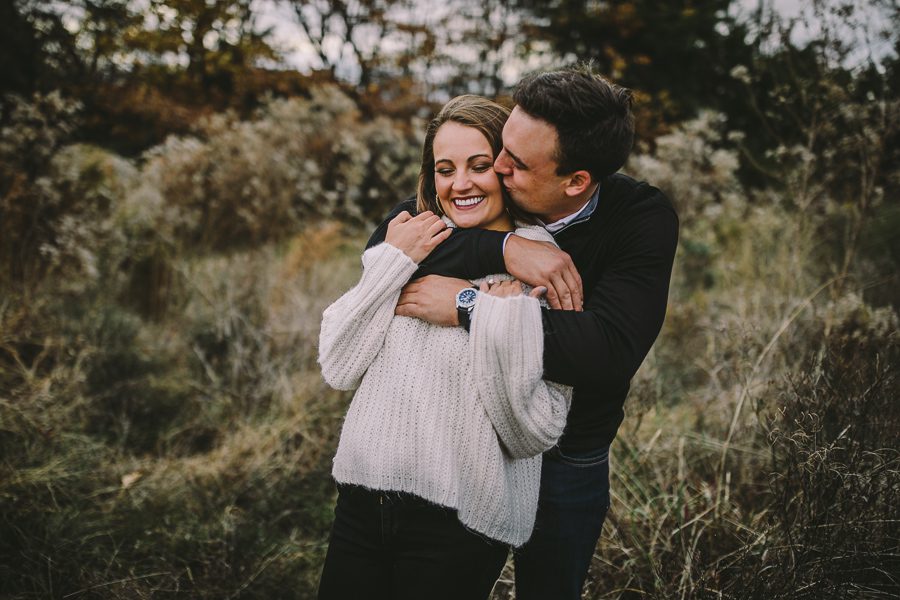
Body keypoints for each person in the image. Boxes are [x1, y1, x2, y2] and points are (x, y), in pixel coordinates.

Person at [366, 65, 679, 599]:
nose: (498, 165)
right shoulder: (497, 183)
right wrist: (503, 247)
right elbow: (386, 250)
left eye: (516, 161)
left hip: (567, 453)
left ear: (575, 181)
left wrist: (468, 306)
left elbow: (605, 351)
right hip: (467, 439)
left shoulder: (639, 218)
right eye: (502, 147)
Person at [316, 95, 572, 600]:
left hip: (459, 523)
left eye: (479, 166)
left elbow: (535, 432)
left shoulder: (544, 267)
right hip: (363, 501)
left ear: (507, 169)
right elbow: (338, 365)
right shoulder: (413, 243)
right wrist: (392, 260)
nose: (460, 184)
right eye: (445, 169)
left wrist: (488, 317)